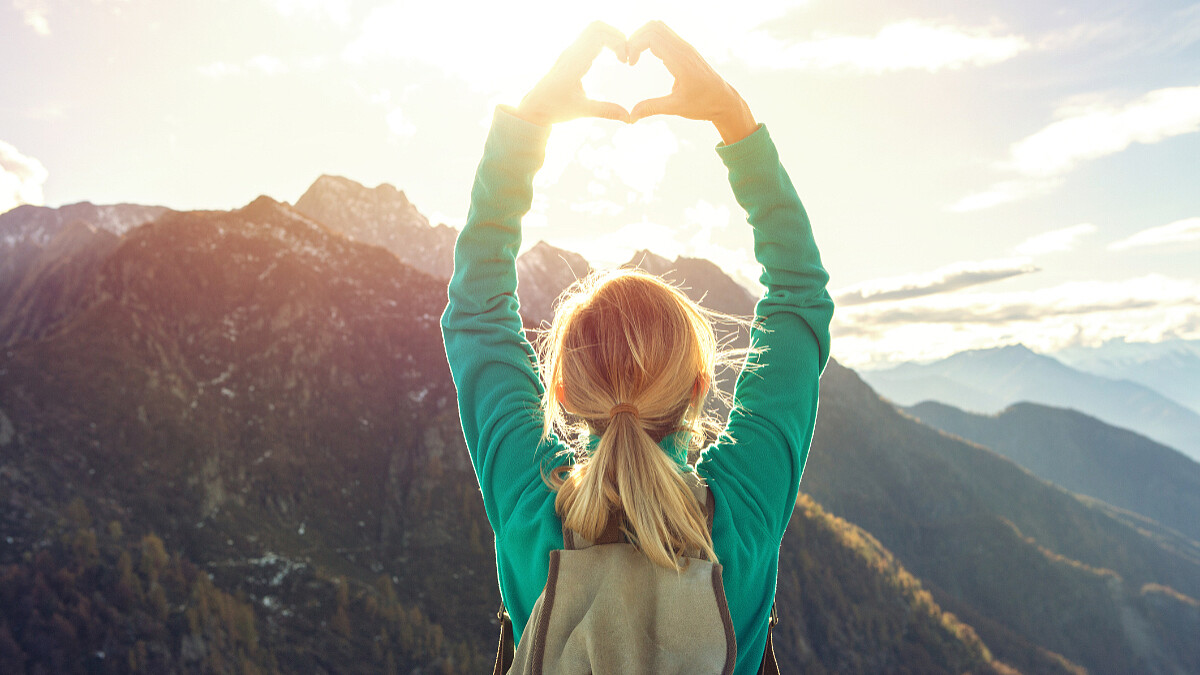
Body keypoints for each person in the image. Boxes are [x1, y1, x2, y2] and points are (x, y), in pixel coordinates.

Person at [440, 20, 834, 674]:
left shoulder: (532, 509)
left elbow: (476, 312)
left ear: (560, 392)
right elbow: (800, 297)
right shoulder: (739, 513)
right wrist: (732, 119)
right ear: (700, 386)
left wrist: (529, 124)